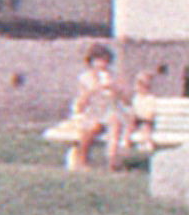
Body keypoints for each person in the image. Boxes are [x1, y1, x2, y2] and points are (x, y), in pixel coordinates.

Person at [47, 41, 135, 172]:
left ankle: (112, 160)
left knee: (115, 123)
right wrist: (92, 91)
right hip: (94, 112)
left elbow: (128, 101)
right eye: (98, 61)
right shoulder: (85, 78)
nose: (102, 65)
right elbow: (81, 104)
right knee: (91, 128)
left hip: (112, 110)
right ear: (91, 62)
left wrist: (116, 89)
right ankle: (82, 160)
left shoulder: (115, 77)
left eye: (105, 61)